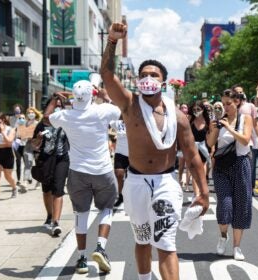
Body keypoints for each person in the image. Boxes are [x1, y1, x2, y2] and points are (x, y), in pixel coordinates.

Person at [101, 22, 209, 280]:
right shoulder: (129, 105)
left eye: (154, 75)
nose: (149, 78)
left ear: (163, 81)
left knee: (166, 243)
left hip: (165, 183)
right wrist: (112, 41)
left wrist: (203, 193)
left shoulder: (178, 117)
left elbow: (193, 156)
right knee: (143, 239)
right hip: (136, 182)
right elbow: (107, 75)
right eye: (144, 75)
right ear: (139, 81)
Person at [48, 84, 120, 274]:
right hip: (103, 171)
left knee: (81, 214)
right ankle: (100, 248)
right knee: (106, 208)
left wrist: (58, 101)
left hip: (77, 172)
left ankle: (81, 259)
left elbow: (48, 117)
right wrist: (105, 96)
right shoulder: (102, 110)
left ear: (74, 96)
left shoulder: (65, 116)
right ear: (91, 95)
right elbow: (118, 111)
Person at [207, 89, 253, 261]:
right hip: (222, 167)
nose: (225, 107)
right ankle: (223, 236)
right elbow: (211, 143)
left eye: (229, 103)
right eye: (223, 103)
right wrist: (213, 129)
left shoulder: (245, 119)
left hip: (241, 164)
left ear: (237, 102)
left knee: (241, 206)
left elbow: (245, 140)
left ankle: (237, 247)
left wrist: (229, 128)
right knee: (225, 205)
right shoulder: (219, 121)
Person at [31, 100, 69, 237]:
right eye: (55, 106)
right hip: (46, 159)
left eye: (60, 106)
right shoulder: (41, 124)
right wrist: (39, 139)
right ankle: (49, 215)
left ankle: (56, 222)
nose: (57, 108)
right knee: (47, 190)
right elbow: (34, 145)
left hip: (62, 159)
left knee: (58, 189)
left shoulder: (66, 122)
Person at [190, 101, 211, 200]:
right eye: (194, 110)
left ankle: (203, 191)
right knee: (194, 170)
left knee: (202, 170)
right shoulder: (190, 121)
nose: (196, 111)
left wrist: (212, 149)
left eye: (198, 109)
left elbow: (211, 137)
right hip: (193, 148)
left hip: (204, 148)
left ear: (203, 110)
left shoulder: (208, 122)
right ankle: (196, 193)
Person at [110, 118, 129, 208]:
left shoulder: (135, 121)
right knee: (119, 174)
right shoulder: (116, 123)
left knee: (131, 177)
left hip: (133, 154)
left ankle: (130, 196)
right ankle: (121, 196)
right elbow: (105, 123)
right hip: (120, 153)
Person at [22, 107, 41, 188]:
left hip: (37, 145)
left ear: (35, 114)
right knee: (28, 163)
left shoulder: (38, 123)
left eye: (32, 112)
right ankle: (25, 182)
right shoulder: (24, 123)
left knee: (38, 164)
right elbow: (21, 133)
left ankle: (39, 182)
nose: (31, 114)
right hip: (28, 145)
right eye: (29, 113)